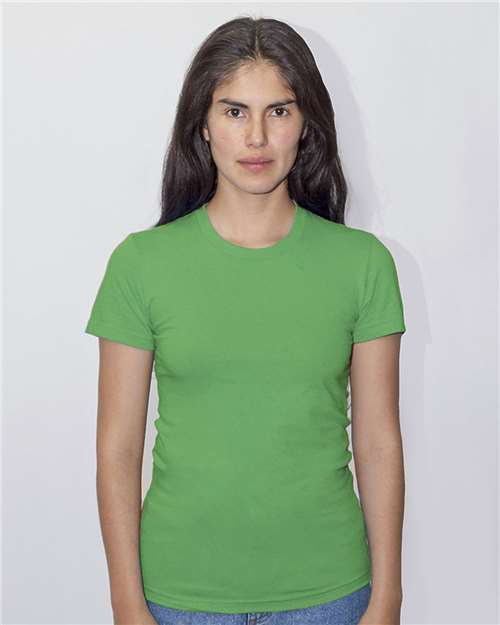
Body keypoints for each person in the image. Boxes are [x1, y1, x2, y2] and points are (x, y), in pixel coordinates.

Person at [85, 15, 406, 625]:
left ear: (306, 124)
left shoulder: (362, 264)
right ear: (203, 125)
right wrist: (126, 601)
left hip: (330, 594)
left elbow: (379, 442)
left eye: (278, 111)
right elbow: (117, 449)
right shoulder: (141, 264)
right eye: (234, 111)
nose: (256, 136)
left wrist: (387, 596)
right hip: (178, 595)